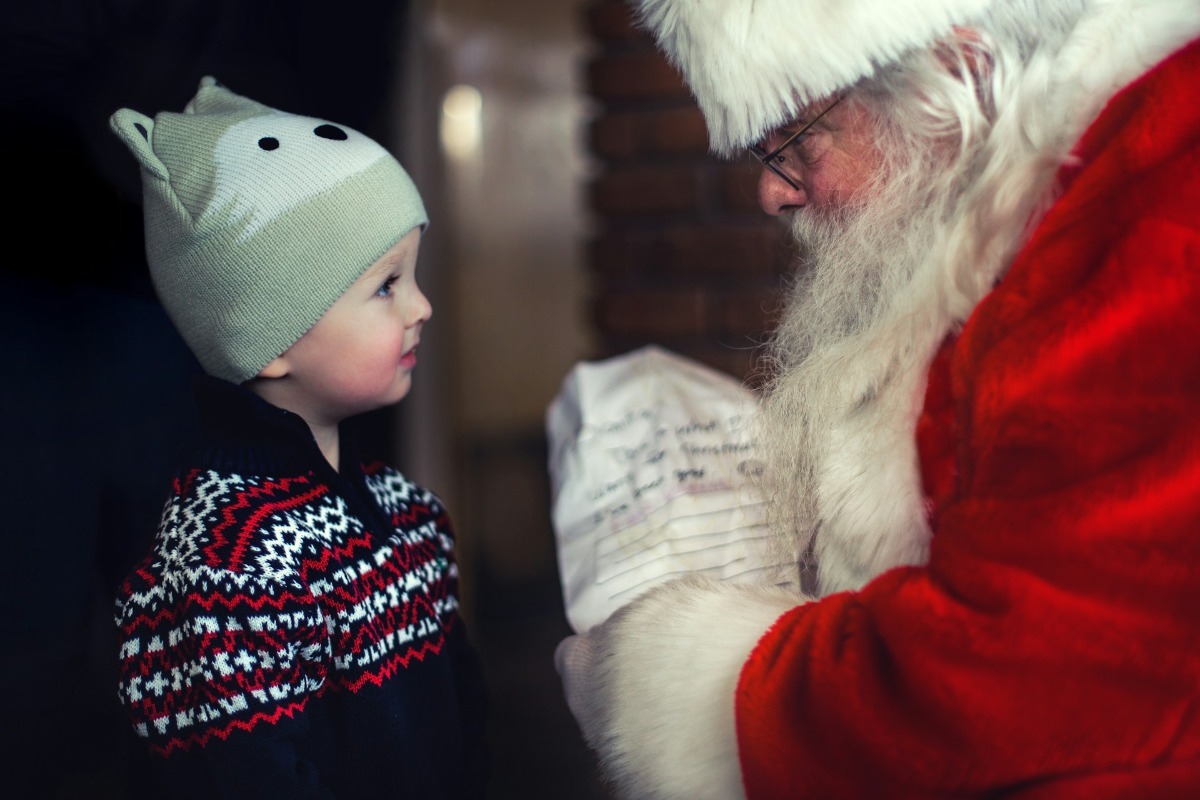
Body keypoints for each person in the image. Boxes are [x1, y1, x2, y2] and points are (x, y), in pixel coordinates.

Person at [555, 0, 1200, 797]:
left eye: (793, 144)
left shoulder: (1162, 199)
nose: (773, 193)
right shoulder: (1051, 197)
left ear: (957, 74)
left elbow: (1031, 677)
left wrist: (674, 683)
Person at [109, 77, 487, 799]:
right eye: (387, 286)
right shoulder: (226, 565)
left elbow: (465, 722)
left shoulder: (408, 512)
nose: (423, 306)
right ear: (270, 339)